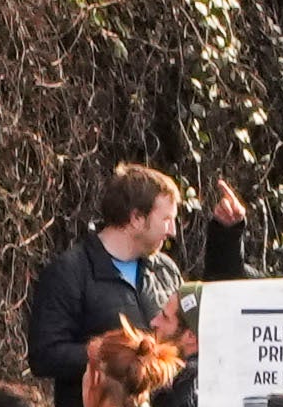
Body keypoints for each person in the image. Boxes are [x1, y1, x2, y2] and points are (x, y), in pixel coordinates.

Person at [27, 160, 182, 395]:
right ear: (136, 219)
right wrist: (110, 355)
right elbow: (44, 355)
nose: (172, 231)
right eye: (166, 219)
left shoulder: (165, 271)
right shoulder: (70, 273)